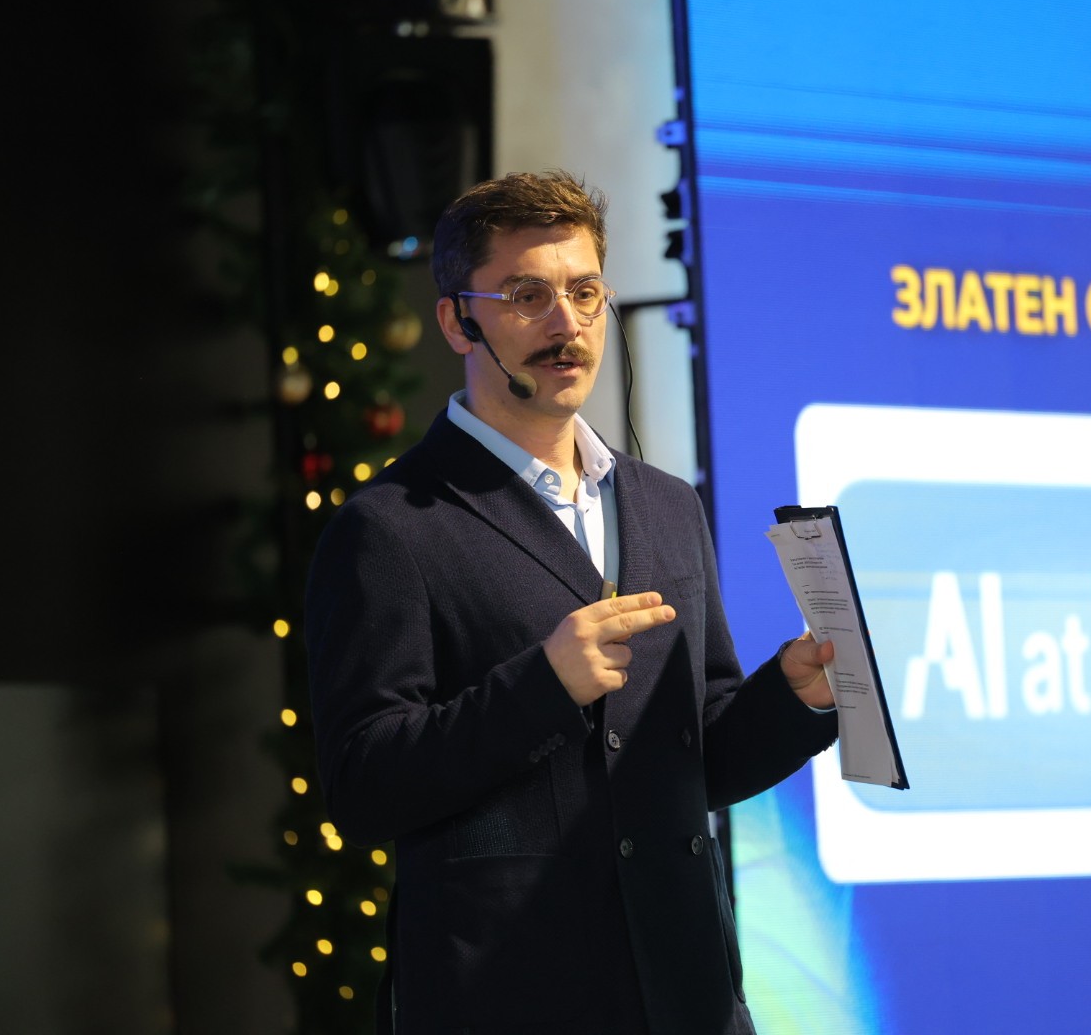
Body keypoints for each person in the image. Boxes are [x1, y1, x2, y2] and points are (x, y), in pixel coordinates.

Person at [305, 170, 838, 1035]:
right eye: (528, 297)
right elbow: (364, 786)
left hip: (689, 998)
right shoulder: (390, 527)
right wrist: (543, 686)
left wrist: (795, 694)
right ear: (458, 321)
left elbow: (700, 754)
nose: (567, 324)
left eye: (585, 293)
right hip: (508, 1001)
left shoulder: (667, 505)